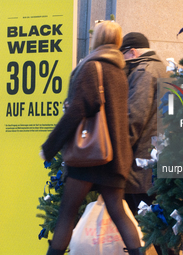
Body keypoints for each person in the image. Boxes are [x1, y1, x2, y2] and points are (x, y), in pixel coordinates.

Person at [40, 21, 143, 255]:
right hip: (114, 156)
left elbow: (77, 110)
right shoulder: (119, 70)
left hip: (89, 156)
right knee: (118, 212)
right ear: (117, 41)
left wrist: (50, 146)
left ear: (95, 39)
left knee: (67, 211)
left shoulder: (91, 67)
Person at [120, 33, 172, 255]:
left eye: (123, 55)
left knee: (147, 222)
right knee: (156, 223)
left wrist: (120, 149)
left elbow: (135, 116)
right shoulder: (161, 69)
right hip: (157, 158)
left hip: (142, 162)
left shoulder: (143, 71)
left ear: (132, 52)